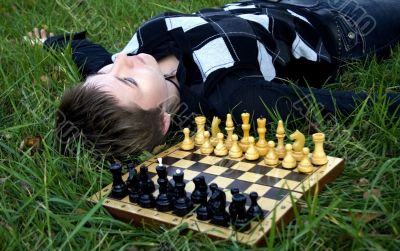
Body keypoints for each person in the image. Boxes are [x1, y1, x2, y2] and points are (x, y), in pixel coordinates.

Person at [31, 0, 400, 159]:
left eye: (106, 73)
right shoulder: (233, 95)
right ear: (162, 120)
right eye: (128, 82)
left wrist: (52, 41)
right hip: (340, 25)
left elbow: (90, 56)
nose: (122, 61)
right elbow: (349, 105)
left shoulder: (117, 67)